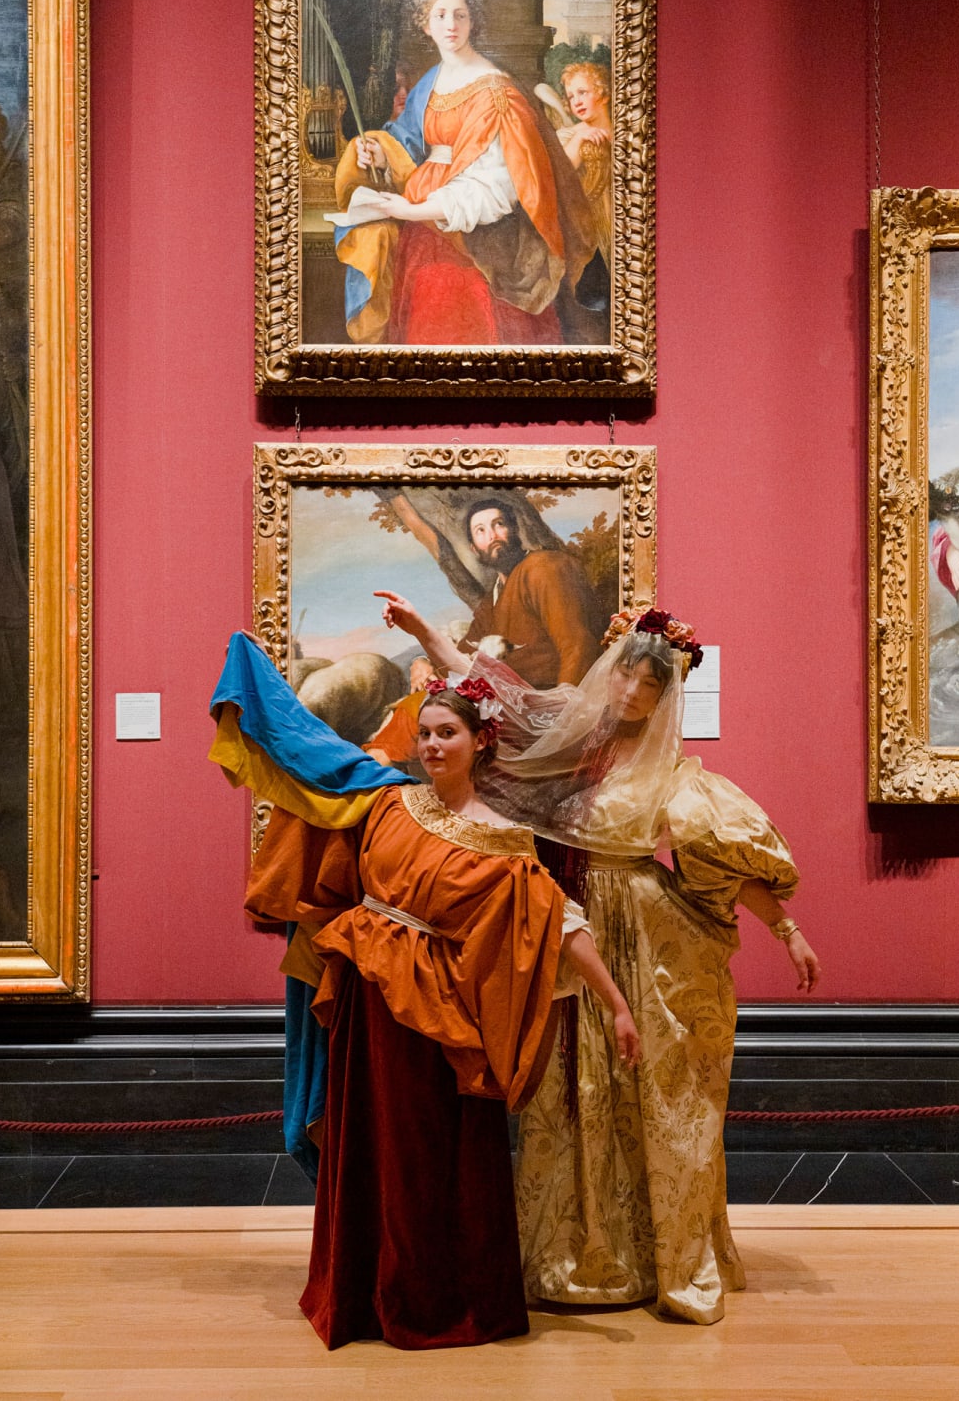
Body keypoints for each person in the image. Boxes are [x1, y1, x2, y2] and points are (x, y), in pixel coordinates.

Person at [376, 593, 821, 1325]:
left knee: (649, 1088)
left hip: (648, 934)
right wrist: (423, 628)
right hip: (565, 925)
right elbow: (484, 687)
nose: (636, 695)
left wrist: (787, 928)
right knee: (564, 1089)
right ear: (609, 671)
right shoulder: (557, 726)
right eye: (629, 679)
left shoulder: (671, 772)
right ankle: (569, 1255)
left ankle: (656, 1256)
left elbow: (716, 853)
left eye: (653, 687)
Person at [208, 632, 641, 1351]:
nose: (434, 745)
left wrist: (617, 1004)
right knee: (370, 1153)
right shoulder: (383, 801)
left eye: (448, 734)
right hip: (367, 1009)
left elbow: (559, 922)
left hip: (443, 1014)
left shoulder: (506, 838)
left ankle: (439, 1298)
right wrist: (252, 681)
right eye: (427, 734)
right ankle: (362, 1295)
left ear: (479, 743)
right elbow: (305, 752)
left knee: (431, 1159)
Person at [330, 0, 595, 345]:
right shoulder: (431, 81)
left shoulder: (498, 94)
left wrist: (410, 211)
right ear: (426, 25)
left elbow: (495, 189)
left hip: (477, 246)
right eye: (440, 15)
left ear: (473, 22)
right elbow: (408, 142)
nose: (450, 24)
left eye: (460, 15)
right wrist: (382, 156)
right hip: (423, 233)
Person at [458, 497, 605, 687]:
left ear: (515, 530)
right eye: (481, 531)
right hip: (518, 706)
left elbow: (578, 647)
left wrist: (565, 711)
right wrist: (424, 663)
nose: (492, 535)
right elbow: (462, 653)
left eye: (499, 524)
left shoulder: (544, 568)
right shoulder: (493, 598)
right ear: (474, 549)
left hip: (557, 702)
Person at [557, 61, 612, 299]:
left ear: (604, 94)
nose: (576, 101)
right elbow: (561, 175)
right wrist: (580, 140)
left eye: (583, 93)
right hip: (585, 224)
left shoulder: (626, 133)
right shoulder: (568, 135)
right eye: (571, 96)